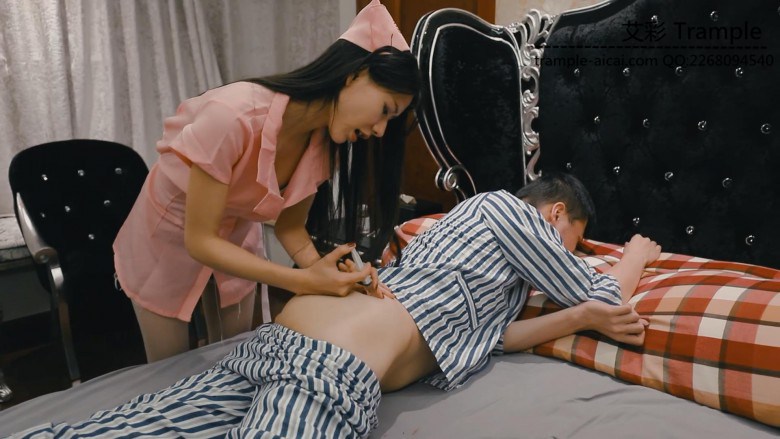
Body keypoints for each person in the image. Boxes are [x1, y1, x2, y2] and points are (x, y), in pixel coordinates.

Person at [13, 172, 661, 438]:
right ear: (555, 214)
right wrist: (634, 255)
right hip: (329, 365)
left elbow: (491, 339)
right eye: (572, 241)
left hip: (276, 344)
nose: (566, 255)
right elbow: (604, 293)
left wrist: (577, 318)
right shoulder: (507, 210)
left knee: (113, 431)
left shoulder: (466, 241)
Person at [113, 0, 419, 362]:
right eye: (385, 110)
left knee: (236, 355)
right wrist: (302, 281)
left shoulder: (323, 143)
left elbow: (291, 228)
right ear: (355, 74)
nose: (380, 131)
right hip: (168, 237)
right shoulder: (232, 116)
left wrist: (328, 273)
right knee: (169, 367)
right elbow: (201, 240)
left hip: (236, 234)